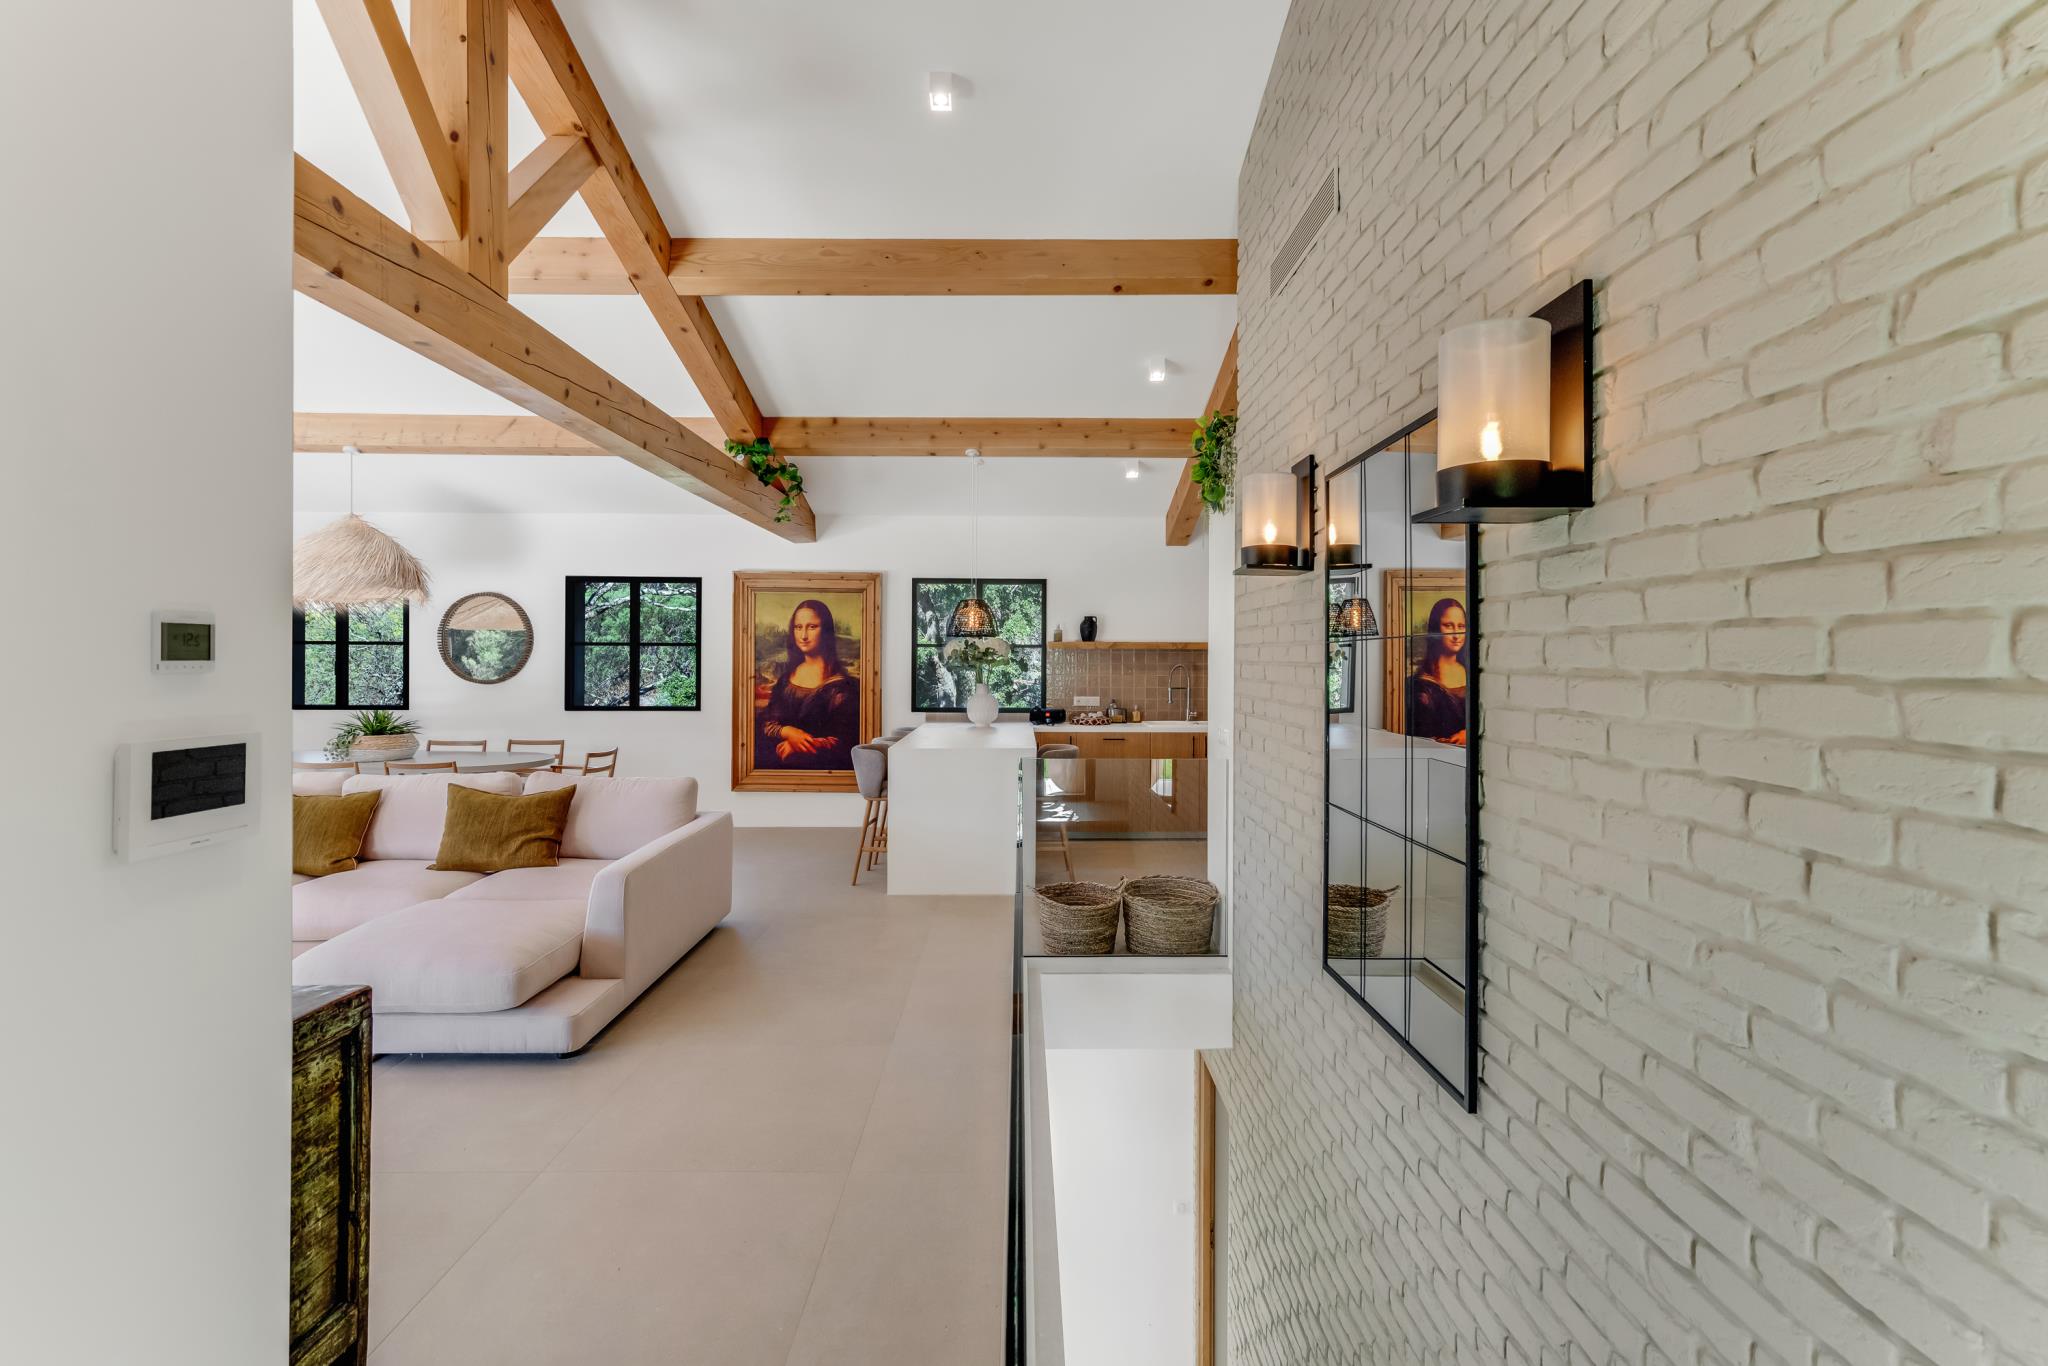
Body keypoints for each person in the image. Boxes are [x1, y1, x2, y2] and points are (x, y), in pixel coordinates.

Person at [757, 599, 861, 769]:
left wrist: (799, 745)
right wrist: (789, 732)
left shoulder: (843, 687)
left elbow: (846, 740)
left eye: (812, 627)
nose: (803, 635)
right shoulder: (786, 679)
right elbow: (767, 722)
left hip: (823, 769)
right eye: (798, 627)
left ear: (825, 630)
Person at [1405, 597, 1467, 745]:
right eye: (1448, 626)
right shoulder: (1420, 684)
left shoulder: (1476, 674)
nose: (1456, 635)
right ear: (1435, 629)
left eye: (1461, 626)